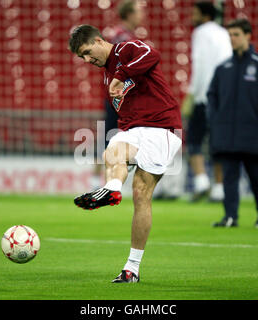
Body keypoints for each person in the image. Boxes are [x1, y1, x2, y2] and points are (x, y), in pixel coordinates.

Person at [69, 25, 182, 282]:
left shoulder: (127, 49)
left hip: (163, 127)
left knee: (141, 193)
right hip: (135, 129)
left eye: (88, 52)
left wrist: (121, 73)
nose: (88, 60)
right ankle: (111, 189)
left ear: (98, 40)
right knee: (112, 151)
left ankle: (132, 266)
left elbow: (152, 55)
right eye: (82, 58)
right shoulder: (107, 77)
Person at [207, 19, 258, 228]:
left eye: (236, 34)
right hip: (227, 135)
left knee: (257, 178)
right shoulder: (223, 68)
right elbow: (211, 96)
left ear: (248, 36)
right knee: (229, 178)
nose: (232, 39)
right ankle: (230, 217)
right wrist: (215, 120)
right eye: (229, 35)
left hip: (252, 134)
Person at [91, 0, 145, 190]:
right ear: (129, 14)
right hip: (119, 96)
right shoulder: (121, 37)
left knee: (111, 135)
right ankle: (101, 181)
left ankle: (102, 181)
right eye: (138, 12)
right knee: (112, 136)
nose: (141, 15)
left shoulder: (125, 35)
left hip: (121, 95)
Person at [181, 1, 232, 202]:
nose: (192, 17)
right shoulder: (223, 33)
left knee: (194, 138)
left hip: (205, 95)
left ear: (205, 16)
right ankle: (219, 188)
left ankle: (202, 181)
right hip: (224, 95)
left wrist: (193, 94)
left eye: (195, 13)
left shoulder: (200, 33)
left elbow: (200, 64)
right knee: (218, 142)